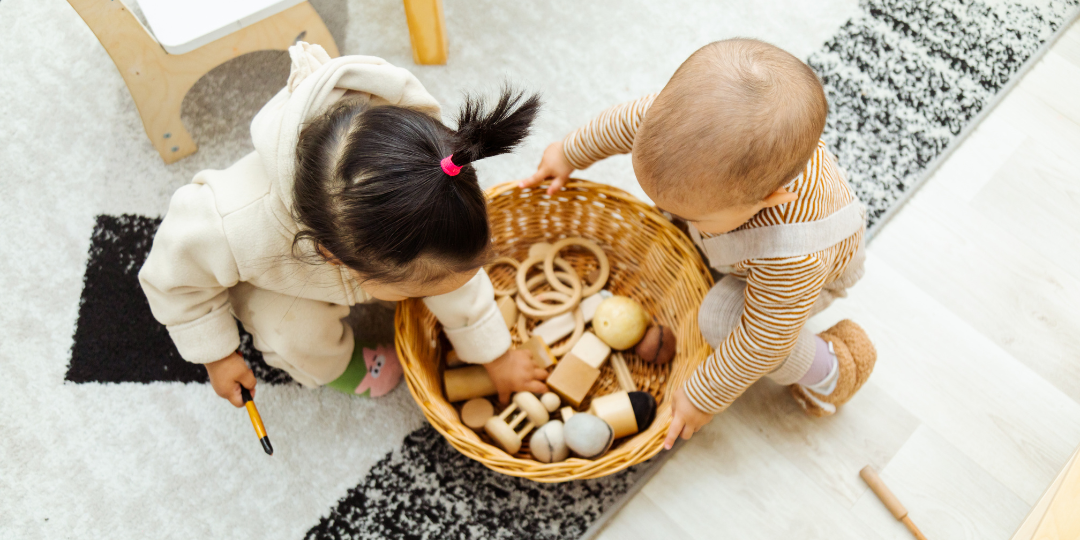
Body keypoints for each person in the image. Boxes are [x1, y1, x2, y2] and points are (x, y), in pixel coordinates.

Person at [140, 43, 547, 408]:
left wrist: (495, 354)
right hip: (274, 276)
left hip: (368, 246)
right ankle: (344, 366)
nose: (425, 296)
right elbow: (173, 279)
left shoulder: (430, 186)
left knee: (443, 268)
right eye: (411, 291)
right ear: (333, 256)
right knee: (293, 334)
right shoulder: (228, 226)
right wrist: (217, 355)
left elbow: (455, 277)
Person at [521, 38, 876, 449]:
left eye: (693, 216)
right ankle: (711, 242)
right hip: (744, 245)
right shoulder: (678, 129)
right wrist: (568, 152)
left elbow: (762, 342)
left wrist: (703, 395)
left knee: (720, 319)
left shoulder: (792, 256)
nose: (663, 210)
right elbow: (620, 125)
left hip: (811, 280)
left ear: (768, 200)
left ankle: (829, 370)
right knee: (684, 219)